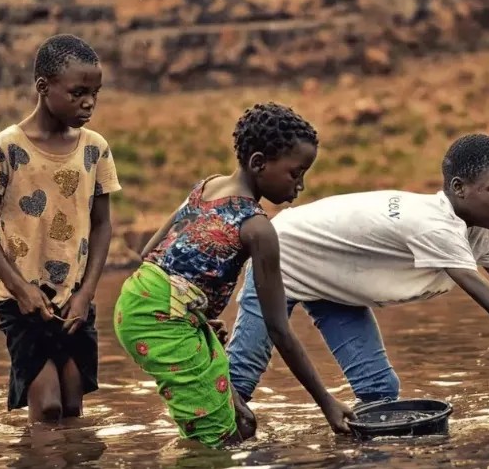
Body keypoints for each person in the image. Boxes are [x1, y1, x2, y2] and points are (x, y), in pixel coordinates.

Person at [226, 133, 489, 415]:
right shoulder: (435, 226)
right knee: (239, 382)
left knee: (379, 394)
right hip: (282, 254)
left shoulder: (474, 232)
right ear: (459, 189)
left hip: (338, 280)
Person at [113, 102, 354, 449]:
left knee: (242, 421)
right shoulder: (257, 228)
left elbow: (151, 251)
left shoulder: (207, 186)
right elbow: (278, 329)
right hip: (159, 318)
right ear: (258, 163)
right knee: (216, 440)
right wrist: (327, 403)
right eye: (295, 173)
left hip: (143, 300)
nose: (300, 185)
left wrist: (192, 312)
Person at [0, 34, 120, 424]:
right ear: (43, 87)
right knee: (48, 405)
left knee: (72, 404)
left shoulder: (95, 149)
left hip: (74, 300)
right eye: (77, 92)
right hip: (21, 300)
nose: (89, 102)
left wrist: (86, 294)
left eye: (96, 93)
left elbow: (103, 224)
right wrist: (22, 290)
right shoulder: (5, 147)